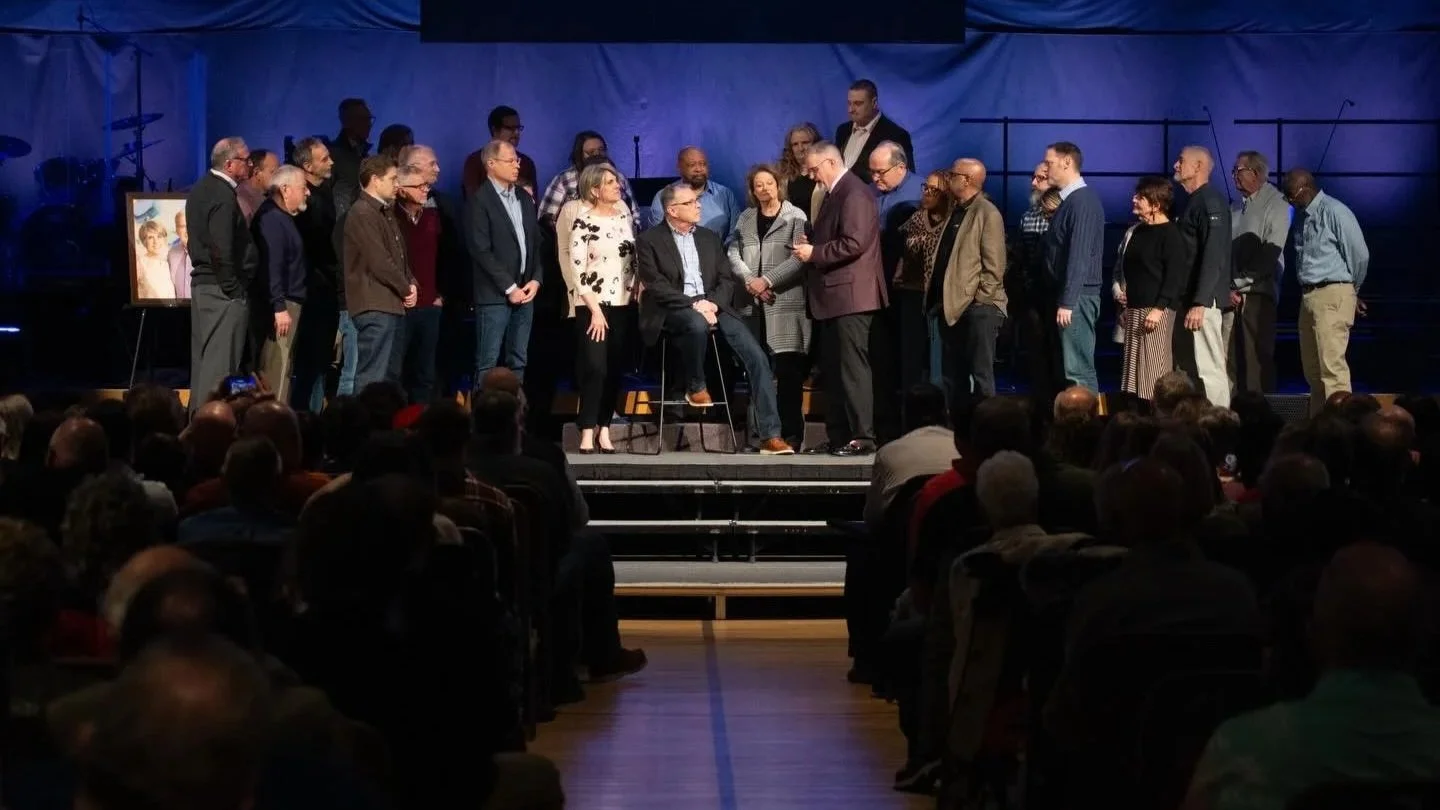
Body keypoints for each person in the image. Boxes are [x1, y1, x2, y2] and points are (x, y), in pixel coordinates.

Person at [635, 183, 794, 455]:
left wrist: (711, 303)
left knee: (757, 356)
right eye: (690, 202)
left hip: (713, 305)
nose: (698, 205)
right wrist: (693, 304)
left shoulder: (709, 238)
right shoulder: (649, 240)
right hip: (673, 308)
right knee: (695, 324)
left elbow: (726, 280)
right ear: (672, 210)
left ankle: (770, 436)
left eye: (697, 201)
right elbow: (656, 285)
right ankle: (696, 385)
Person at [793, 142, 886, 456]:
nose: (812, 177)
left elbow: (855, 242)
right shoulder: (836, 193)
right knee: (833, 370)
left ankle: (862, 437)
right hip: (833, 298)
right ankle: (838, 436)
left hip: (851, 297)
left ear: (831, 162)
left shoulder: (854, 193)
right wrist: (813, 240)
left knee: (852, 369)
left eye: (814, 170)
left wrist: (814, 252)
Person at [728, 164, 811, 450]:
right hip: (752, 307)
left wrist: (766, 281)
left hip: (785, 305)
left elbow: (800, 258)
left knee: (789, 375)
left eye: (769, 183)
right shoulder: (745, 217)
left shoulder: (795, 216)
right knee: (756, 371)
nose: (764, 189)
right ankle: (761, 435)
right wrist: (750, 281)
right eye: (758, 185)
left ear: (778, 185)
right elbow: (733, 252)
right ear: (752, 190)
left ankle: (791, 435)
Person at [1283, 168, 1369, 415]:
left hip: (1332, 292)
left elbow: (1360, 255)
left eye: (1291, 195)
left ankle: (1341, 426)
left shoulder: (1335, 211)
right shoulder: (1302, 217)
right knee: (1313, 371)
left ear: (1306, 188)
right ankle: (1320, 425)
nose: (1290, 201)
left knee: (1332, 370)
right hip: (1309, 296)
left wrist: (1352, 290)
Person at [566, 163, 637, 454]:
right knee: (595, 368)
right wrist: (595, 310)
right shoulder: (583, 222)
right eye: (609, 182)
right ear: (595, 190)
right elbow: (577, 269)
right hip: (593, 306)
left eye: (615, 181)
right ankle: (586, 428)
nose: (617, 185)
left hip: (622, 304)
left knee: (614, 369)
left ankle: (604, 428)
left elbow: (632, 261)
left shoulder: (623, 218)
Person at [187, 137, 257, 414]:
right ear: (229, 164)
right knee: (220, 370)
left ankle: (198, 424)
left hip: (208, 287)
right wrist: (233, 289)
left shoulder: (203, 188)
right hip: (220, 291)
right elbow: (221, 247)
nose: (250, 164)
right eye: (246, 160)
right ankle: (211, 427)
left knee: (206, 365)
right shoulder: (220, 194)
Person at [466, 139, 542, 386]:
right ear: (491, 164)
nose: (517, 165)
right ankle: (483, 410)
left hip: (526, 292)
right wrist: (510, 288)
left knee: (519, 360)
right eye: (510, 161)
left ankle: (515, 409)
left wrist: (535, 279)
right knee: (487, 363)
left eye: (517, 160)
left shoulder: (523, 198)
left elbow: (536, 244)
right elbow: (480, 250)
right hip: (494, 296)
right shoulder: (479, 201)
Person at [341, 154, 417, 391]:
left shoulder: (384, 211)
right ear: (375, 179)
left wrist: (412, 283)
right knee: (373, 377)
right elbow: (379, 261)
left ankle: (384, 415)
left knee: (389, 379)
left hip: (391, 304)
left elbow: (399, 256)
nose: (397, 184)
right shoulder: (362, 212)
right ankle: (365, 416)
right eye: (393, 179)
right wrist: (406, 288)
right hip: (375, 305)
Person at [1113, 176, 1186, 401]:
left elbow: (1174, 277)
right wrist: (1125, 308)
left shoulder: (1171, 234)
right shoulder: (1137, 231)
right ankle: (1138, 417)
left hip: (1156, 312)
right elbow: (1130, 271)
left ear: (1156, 204)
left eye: (1141, 197)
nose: (1134, 200)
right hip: (1134, 310)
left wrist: (1158, 309)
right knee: (1133, 377)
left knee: (1153, 371)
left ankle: (1159, 416)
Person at [1173, 146, 1233, 407]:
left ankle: (1219, 422)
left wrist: (1201, 302)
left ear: (1198, 166)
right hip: (1189, 301)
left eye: (1181, 161)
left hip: (1202, 304)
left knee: (1209, 367)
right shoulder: (1194, 201)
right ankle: (1196, 422)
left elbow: (1213, 254)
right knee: (1190, 369)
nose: (1176, 165)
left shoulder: (1210, 201)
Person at [1041, 141, 1104, 395]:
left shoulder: (1082, 202)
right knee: (1071, 369)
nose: (1045, 169)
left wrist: (1068, 302)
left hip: (1077, 297)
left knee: (1078, 370)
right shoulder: (1072, 201)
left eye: (1049, 163)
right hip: (1070, 296)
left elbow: (1080, 254)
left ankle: (1089, 418)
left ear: (1067, 162)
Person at [250, 165, 311, 403]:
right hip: (282, 305)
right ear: (285, 189)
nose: (307, 192)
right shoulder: (272, 218)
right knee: (277, 369)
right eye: (303, 187)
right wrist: (279, 307)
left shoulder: (282, 217)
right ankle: (272, 418)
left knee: (283, 369)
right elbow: (272, 264)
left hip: (288, 302)